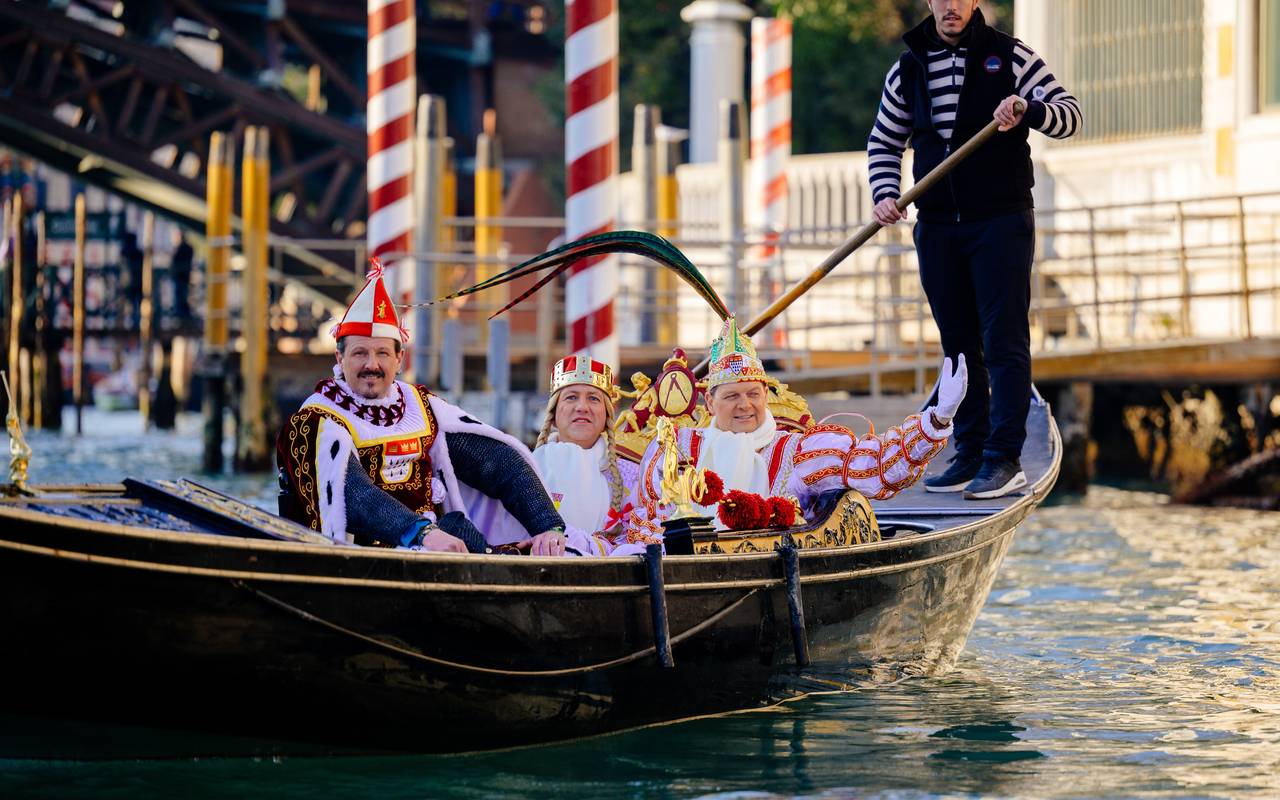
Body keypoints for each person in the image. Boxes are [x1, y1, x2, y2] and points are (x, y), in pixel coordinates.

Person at [867, 0, 1081, 499]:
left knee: (1003, 341)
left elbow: (1070, 117)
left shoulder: (1011, 58)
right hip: (938, 226)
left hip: (1000, 221)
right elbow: (884, 141)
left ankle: (1004, 459)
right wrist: (884, 192)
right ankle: (968, 451)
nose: (951, 6)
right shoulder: (908, 68)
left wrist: (1029, 109)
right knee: (957, 347)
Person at [276, 261, 570, 555]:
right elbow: (352, 496)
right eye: (359, 353)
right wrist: (421, 533)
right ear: (339, 359)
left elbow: (498, 464)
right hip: (361, 558)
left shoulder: (421, 407)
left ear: (399, 359)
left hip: (435, 548)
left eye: (382, 353)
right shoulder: (313, 422)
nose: (372, 365)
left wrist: (548, 526)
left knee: (460, 527)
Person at [622, 317, 967, 550]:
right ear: (710, 403)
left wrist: (935, 420)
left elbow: (873, 466)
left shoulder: (799, 451)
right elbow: (645, 513)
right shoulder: (677, 446)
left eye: (753, 394)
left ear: (765, 396)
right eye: (731, 396)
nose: (745, 405)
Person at [531, 355, 640, 556]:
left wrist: (576, 541)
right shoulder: (527, 469)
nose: (582, 407)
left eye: (593, 398)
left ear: (607, 415)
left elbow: (642, 543)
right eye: (571, 397)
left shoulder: (632, 477)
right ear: (553, 415)